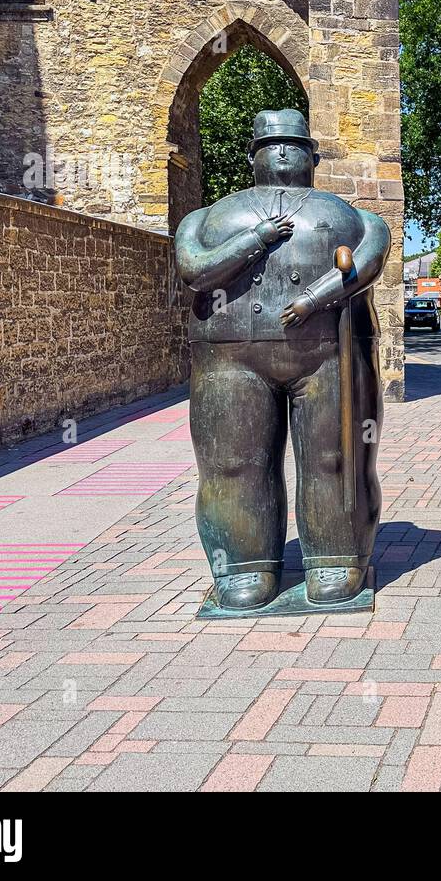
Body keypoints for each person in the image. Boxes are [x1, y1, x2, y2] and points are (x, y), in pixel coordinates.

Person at [175, 109, 390, 609]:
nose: (283, 153)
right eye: (273, 145)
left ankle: (336, 555)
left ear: (313, 157)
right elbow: (195, 270)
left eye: (295, 145)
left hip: (331, 352)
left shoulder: (357, 218)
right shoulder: (204, 219)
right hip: (230, 355)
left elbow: (366, 264)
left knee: (336, 459)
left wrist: (314, 298)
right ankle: (244, 563)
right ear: (253, 155)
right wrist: (256, 239)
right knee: (233, 463)